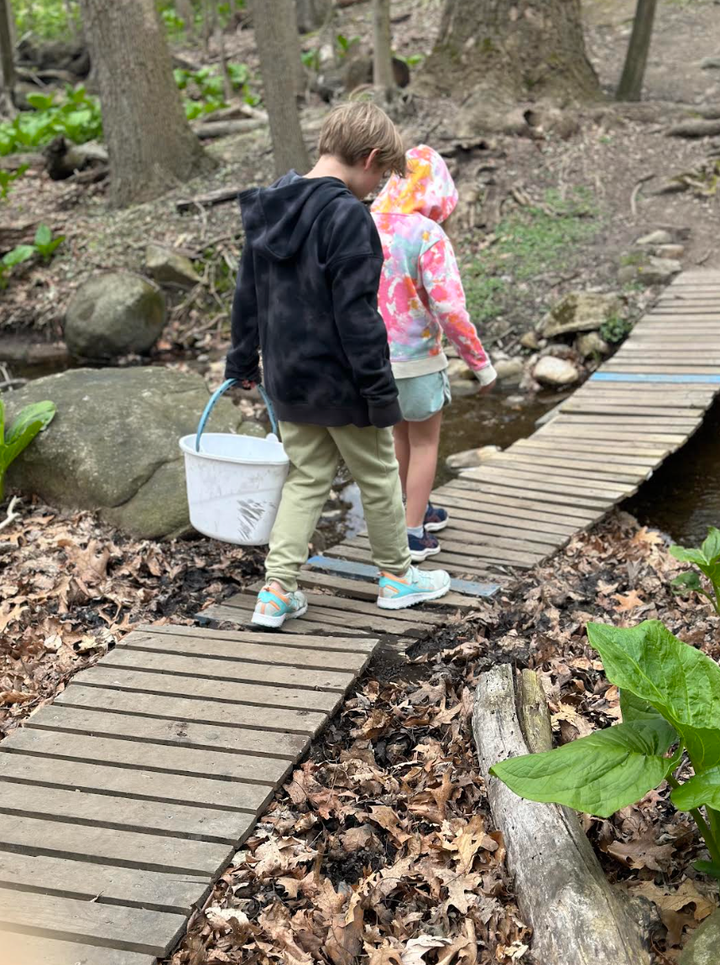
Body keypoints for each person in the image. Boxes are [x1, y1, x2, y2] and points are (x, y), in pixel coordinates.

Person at [225, 103, 452, 628]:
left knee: (306, 478)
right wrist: (379, 391)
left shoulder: (270, 205)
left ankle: (276, 590)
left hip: (289, 378)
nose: (374, 190)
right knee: (376, 476)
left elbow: (248, 296)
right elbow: (359, 318)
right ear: (369, 158)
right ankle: (397, 578)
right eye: (379, 177)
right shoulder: (348, 216)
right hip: (344, 381)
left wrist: (241, 361)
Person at [371, 145, 496, 562]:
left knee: (398, 436)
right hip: (418, 360)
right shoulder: (426, 234)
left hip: (372, 360)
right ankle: (410, 533)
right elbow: (449, 308)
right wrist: (481, 365)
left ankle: (412, 510)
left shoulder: (365, 223)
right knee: (425, 442)